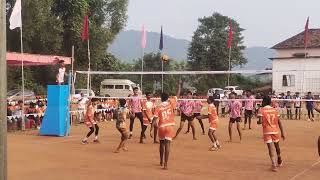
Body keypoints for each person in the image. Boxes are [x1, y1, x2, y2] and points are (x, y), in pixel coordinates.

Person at [152, 80, 181, 170]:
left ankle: (161, 161)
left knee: (161, 144)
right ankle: (165, 164)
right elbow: (177, 95)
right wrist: (179, 85)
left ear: (161, 98)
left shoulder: (158, 107)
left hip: (161, 127)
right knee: (168, 144)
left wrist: (151, 128)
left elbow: (154, 119)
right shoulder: (171, 103)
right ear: (167, 98)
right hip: (169, 126)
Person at [257, 96, 285, 172]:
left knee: (270, 148)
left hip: (267, 131)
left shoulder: (261, 110)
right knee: (277, 146)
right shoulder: (274, 110)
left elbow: (259, 122)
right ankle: (279, 158)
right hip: (275, 130)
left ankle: (274, 165)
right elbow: (279, 122)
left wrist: (259, 120)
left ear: (264, 102)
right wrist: (282, 132)